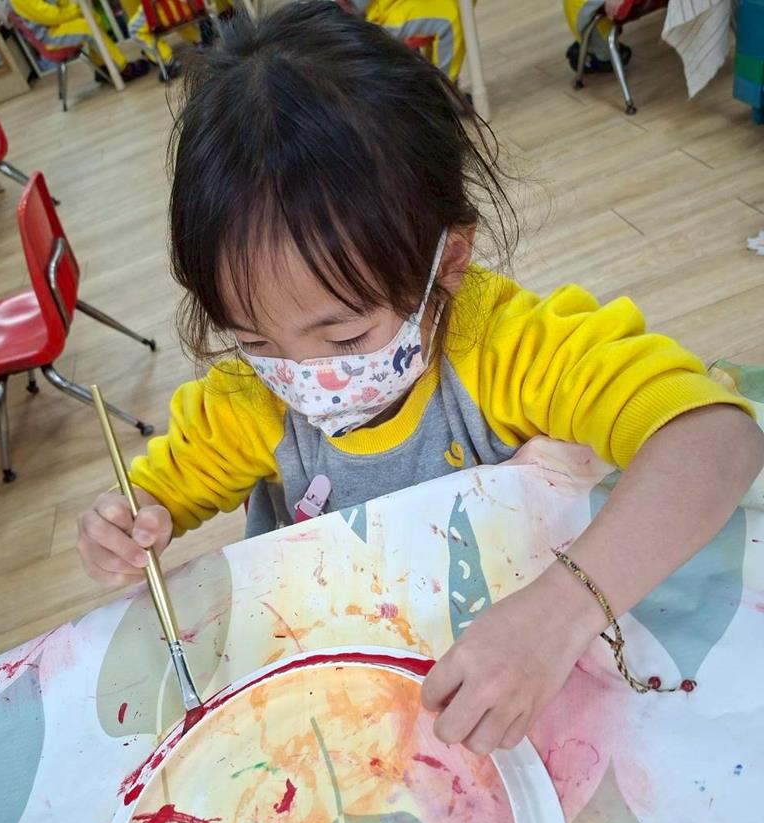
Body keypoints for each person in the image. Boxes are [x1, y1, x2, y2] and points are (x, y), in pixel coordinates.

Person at [77, 2, 764, 758]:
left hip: (506, 675)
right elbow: (160, 495)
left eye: (345, 336)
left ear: (449, 263)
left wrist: (560, 612)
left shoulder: (502, 349)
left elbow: (715, 439)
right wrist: (130, 520)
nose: (301, 379)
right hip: (334, 692)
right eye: (254, 340)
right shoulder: (249, 397)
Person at [7, 0, 178, 80]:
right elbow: (48, 16)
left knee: (93, 17)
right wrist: (75, 10)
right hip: (49, 37)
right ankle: (121, 68)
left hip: (56, 24)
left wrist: (73, 7)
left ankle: (103, 65)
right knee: (88, 27)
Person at [337, 0, 464, 80]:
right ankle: (445, 91)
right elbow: (348, 6)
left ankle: (435, 81)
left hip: (387, 5)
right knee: (450, 20)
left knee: (459, 7)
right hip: (374, 14)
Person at [563, 0, 632, 73]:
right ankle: (590, 60)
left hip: (581, 21)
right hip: (595, 32)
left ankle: (584, 47)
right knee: (621, 56)